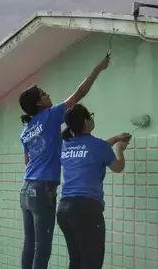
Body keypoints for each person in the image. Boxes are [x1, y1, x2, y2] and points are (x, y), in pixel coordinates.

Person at [19, 54, 110, 269]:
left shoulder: (26, 130)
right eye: (43, 93)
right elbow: (80, 93)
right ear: (40, 103)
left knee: (29, 246)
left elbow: (27, 161)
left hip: (26, 190)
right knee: (43, 249)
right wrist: (98, 68)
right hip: (43, 190)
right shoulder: (50, 116)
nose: (47, 94)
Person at [57, 104, 131, 269]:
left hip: (64, 210)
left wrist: (115, 138)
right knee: (92, 263)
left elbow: (92, 149)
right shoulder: (97, 146)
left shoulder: (66, 144)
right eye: (90, 115)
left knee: (76, 262)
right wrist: (119, 148)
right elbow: (118, 167)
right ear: (86, 120)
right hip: (86, 211)